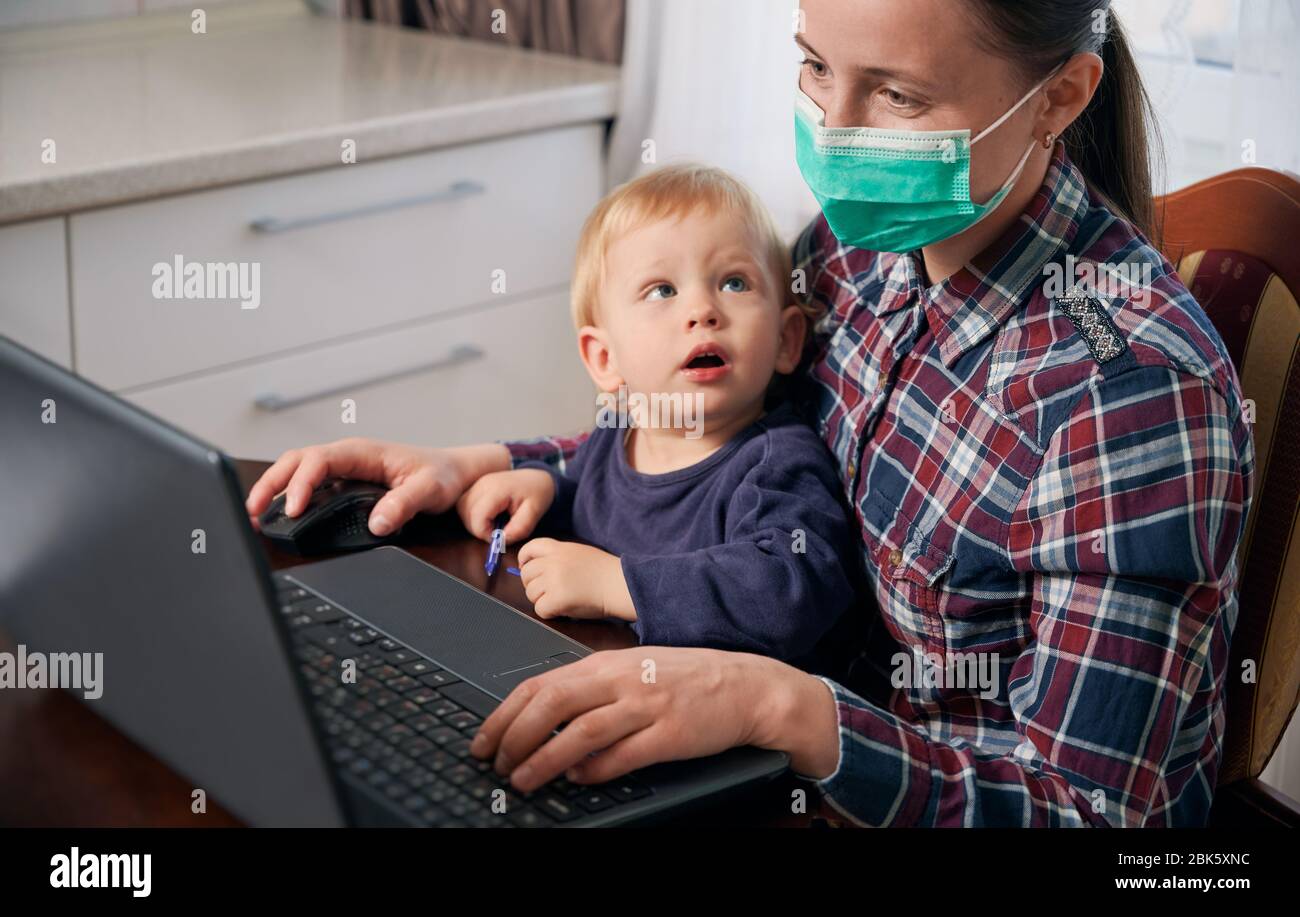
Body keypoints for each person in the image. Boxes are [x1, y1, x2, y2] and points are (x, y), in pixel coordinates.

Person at [245, 0, 1254, 826]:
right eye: (816, 69)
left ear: (1059, 96)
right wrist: (497, 461)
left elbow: (1100, 818)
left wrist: (780, 707)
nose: (838, 130)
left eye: (896, 95)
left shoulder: (1129, 392)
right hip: (760, 763)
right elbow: (723, 419)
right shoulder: (863, 245)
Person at [455, 163, 858, 664]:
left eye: (734, 282)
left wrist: (617, 584)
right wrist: (546, 491)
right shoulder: (616, 435)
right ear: (605, 359)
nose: (702, 310)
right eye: (662, 290)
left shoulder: (776, 464)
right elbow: (595, 513)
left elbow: (788, 592)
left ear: (786, 339)